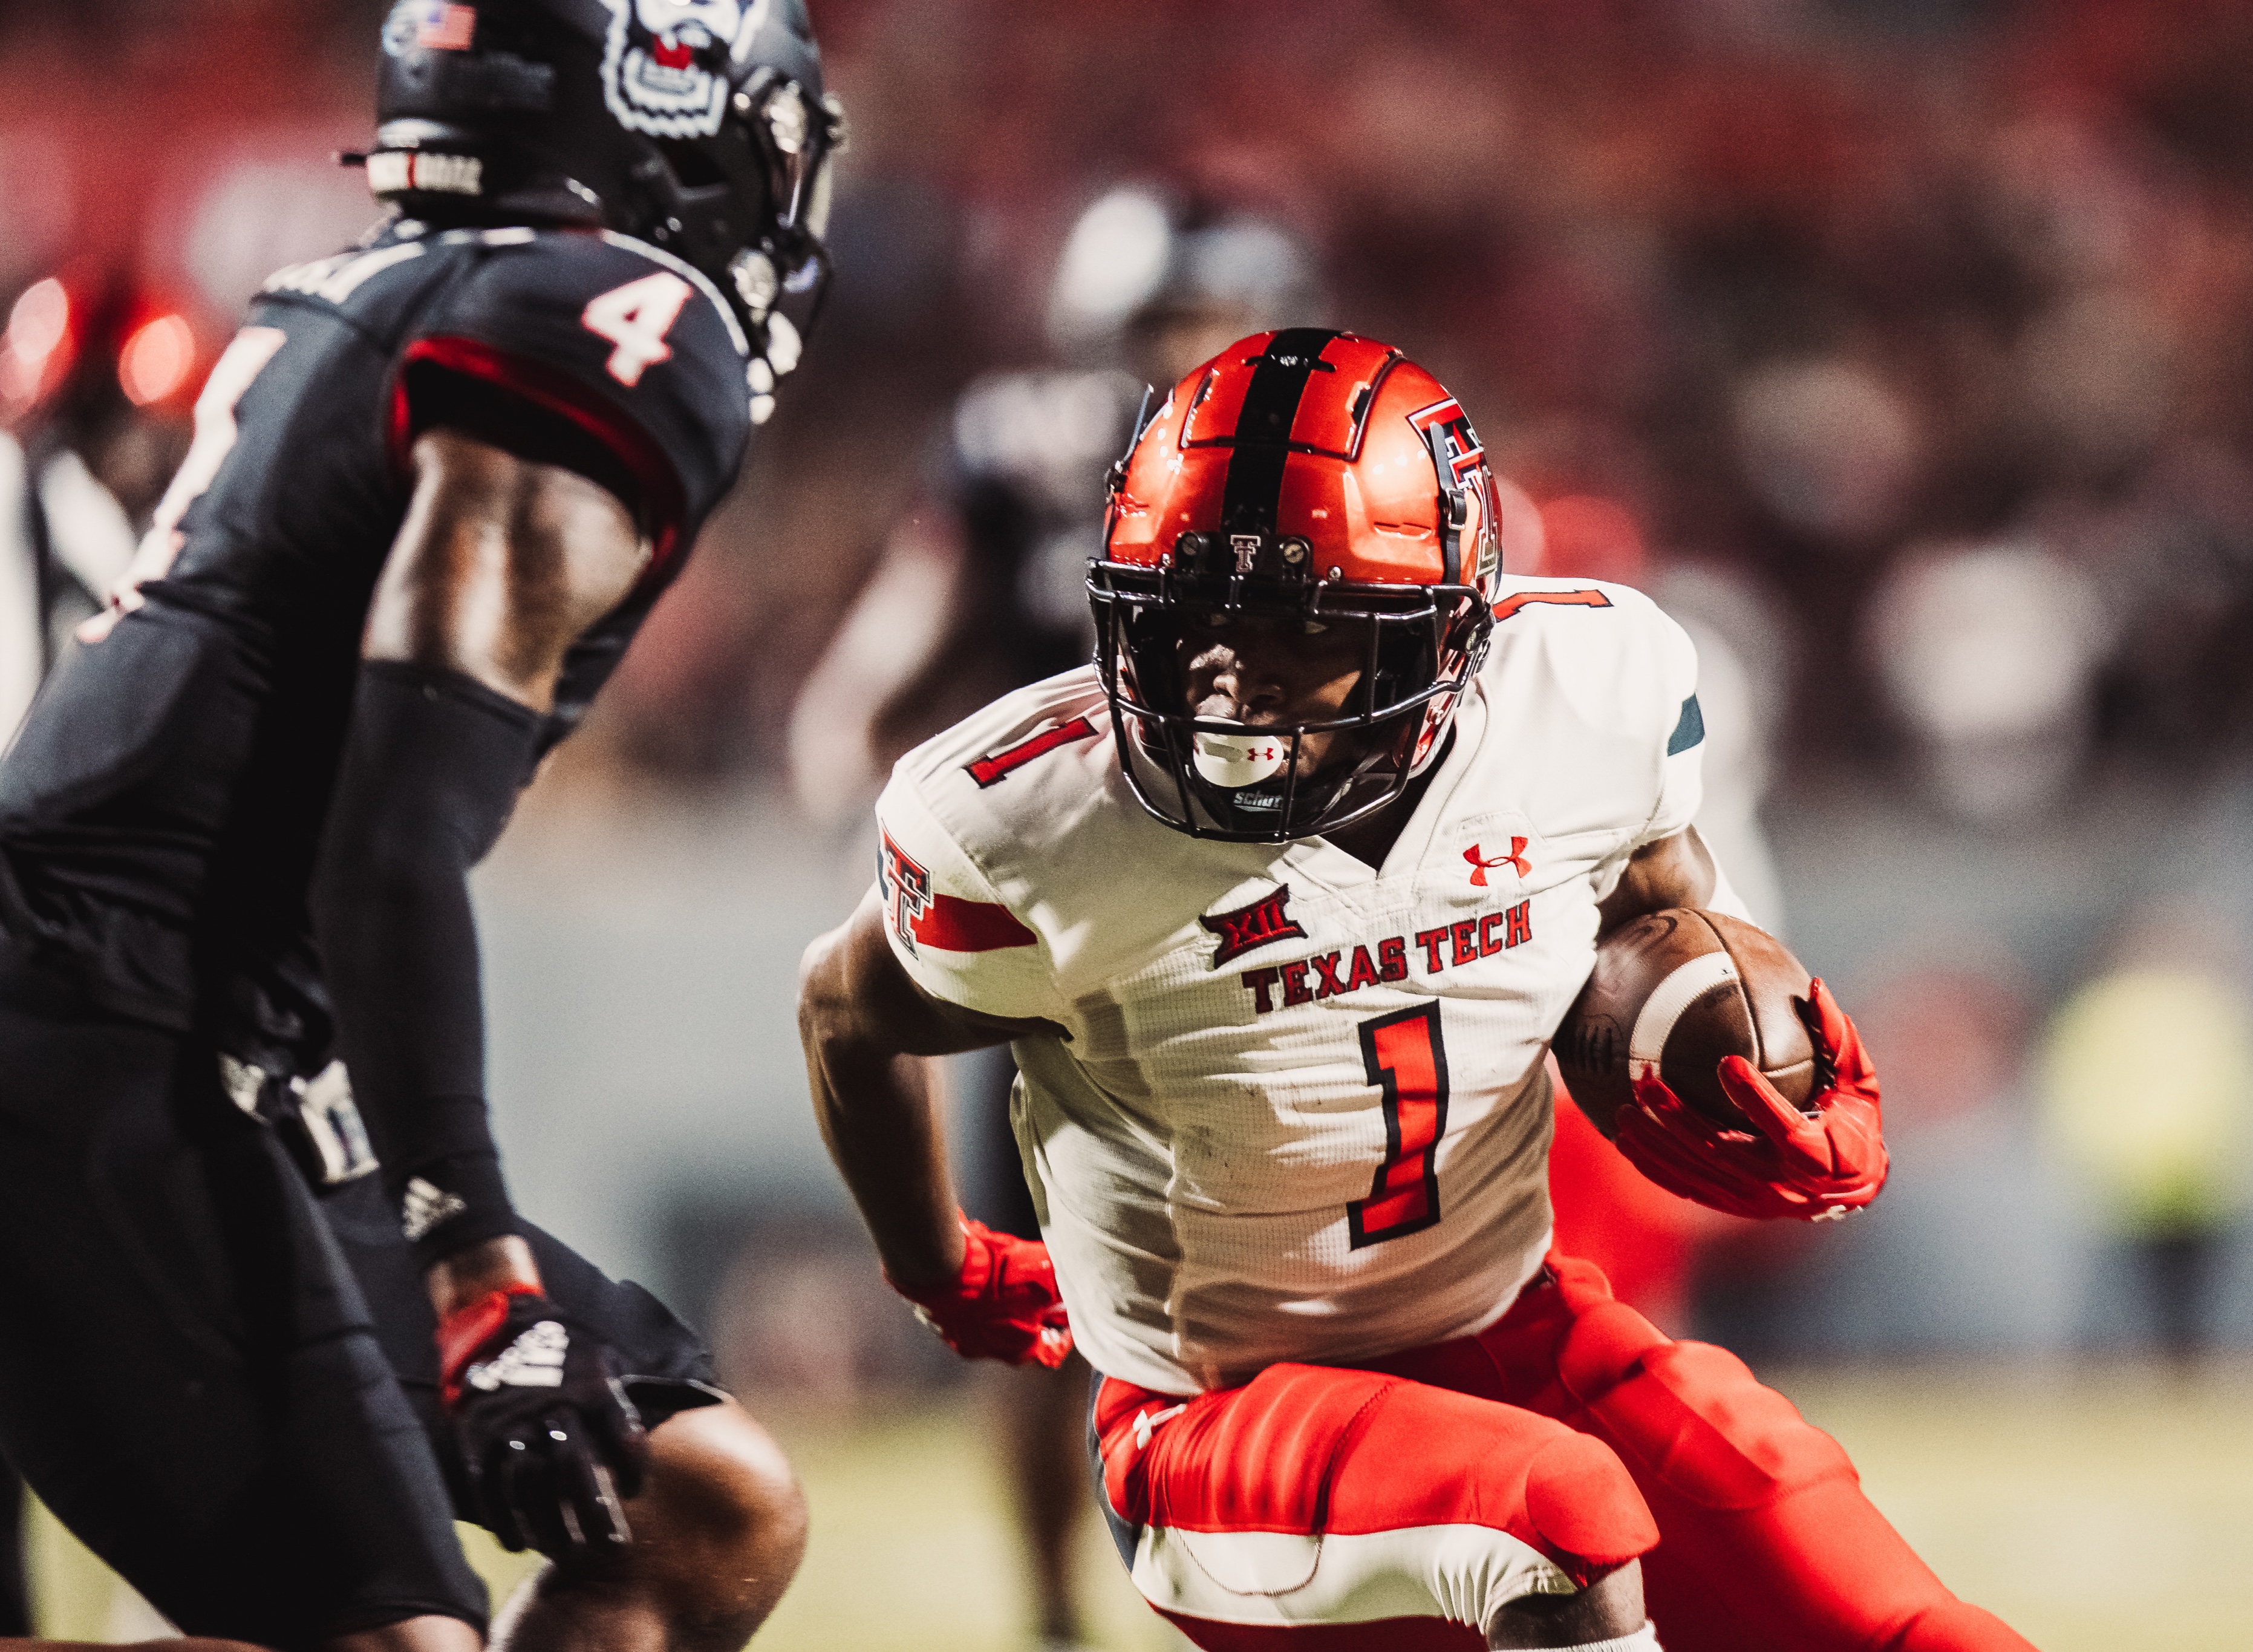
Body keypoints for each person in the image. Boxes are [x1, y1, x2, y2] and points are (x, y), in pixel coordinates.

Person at [800, 330, 2039, 1650]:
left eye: (1291, 630)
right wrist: (933, 1259)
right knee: (1554, 1517)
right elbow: (844, 1010)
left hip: (1513, 1331)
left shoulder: (1580, 699)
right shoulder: (1034, 822)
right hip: (1212, 1424)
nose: (1227, 681)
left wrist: (1754, 1051)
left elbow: (1659, 906)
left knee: (1918, 1630)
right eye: (1189, 621)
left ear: (1444, 640)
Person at [0, 4, 843, 1648]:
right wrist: (480, 1278)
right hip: (104, 1026)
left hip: (207, 1036)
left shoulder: (382, 289)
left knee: (701, 1504)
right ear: (664, 115)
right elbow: (386, 839)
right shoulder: (618, 317)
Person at [786, 181, 1323, 1650]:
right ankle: (1050, 1614)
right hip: (1067, 901)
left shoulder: (1321, 455)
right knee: (1040, 1283)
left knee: (1285, 1257)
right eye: (1157, 318)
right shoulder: (1022, 444)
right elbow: (915, 606)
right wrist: (849, 717)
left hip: (1262, 899)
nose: (1182, 345)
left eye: (1206, 315)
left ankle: (1283, 1577)